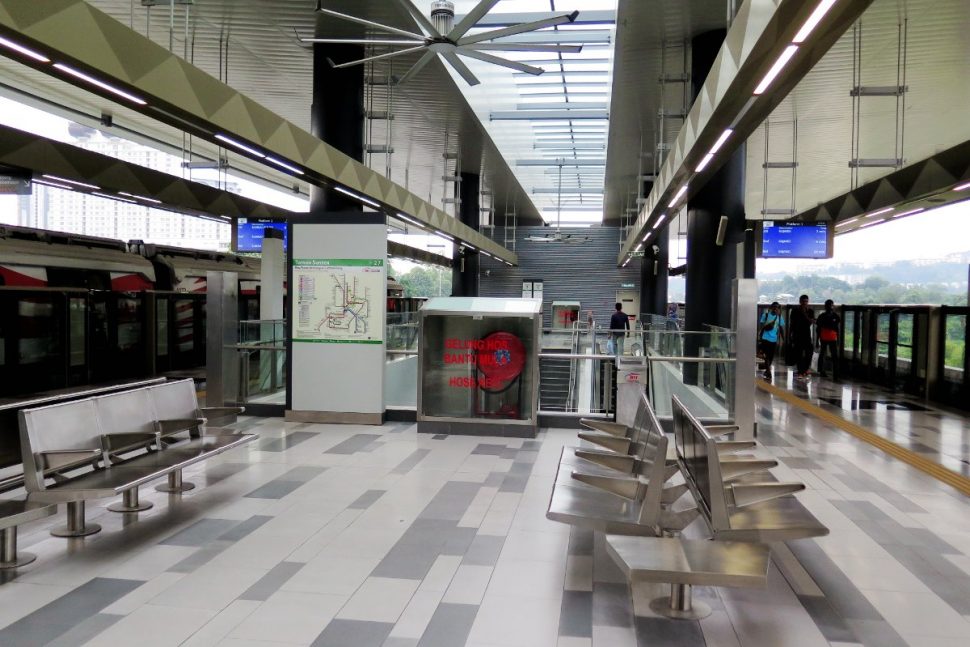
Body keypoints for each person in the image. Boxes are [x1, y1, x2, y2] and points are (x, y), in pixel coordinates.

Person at [790, 294, 815, 378]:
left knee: (809, 353)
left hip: (807, 335)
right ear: (800, 302)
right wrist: (791, 334)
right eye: (803, 301)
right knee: (799, 354)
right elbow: (792, 323)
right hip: (797, 335)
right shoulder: (795, 311)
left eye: (806, 301)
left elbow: (810, 322)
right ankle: (800, 371)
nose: (805, 303)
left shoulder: (810, 311)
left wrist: (805, 314)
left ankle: (806, 369)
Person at [758, 302, 785, 380]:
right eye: (774, 307)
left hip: (773, 339)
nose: (776, 308)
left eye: (777, 307)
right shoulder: (765, 315)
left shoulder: (779, 317)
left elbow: (781, 328)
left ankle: (767, 370)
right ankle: (769, 372)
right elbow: (761, 326)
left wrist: (783, 338)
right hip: (765, 338)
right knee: (766, 355)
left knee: (771, 356)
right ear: (771, 307)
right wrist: (760, 336)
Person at [816, 299, 841, 380]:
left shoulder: (835, 316)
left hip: (831, 338)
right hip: (826, 337)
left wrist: (838, 339)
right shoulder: (824, 316)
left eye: (831, 305)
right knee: (823, 354)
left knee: (833, 356)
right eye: (829, 305)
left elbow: (837, 328)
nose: (830, 307)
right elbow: (818, 329)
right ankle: (822, 371)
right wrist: (817, 340)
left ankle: (835, 374)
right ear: (826, 306)